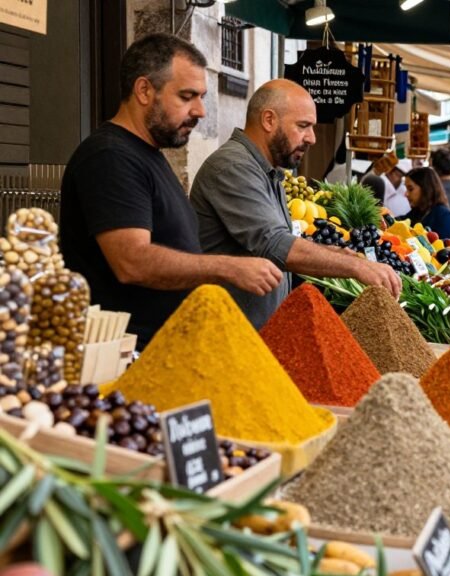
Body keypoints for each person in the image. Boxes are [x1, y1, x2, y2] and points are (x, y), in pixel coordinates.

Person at [59, 33, 283, 348]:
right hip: (125, 360)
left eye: (202, 96)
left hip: (164, 354)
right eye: (187, 96)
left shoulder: (149, 155)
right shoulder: (109, 157)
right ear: (144, 90)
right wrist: (226, 267)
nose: (201, 111)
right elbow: (131, 261)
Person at [190, 79, 400, 329]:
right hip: (228, 335)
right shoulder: (233, 167)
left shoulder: (266, 170)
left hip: (253, 335)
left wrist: (340, 254)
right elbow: (274, 243)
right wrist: (355, 266)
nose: (311, 138)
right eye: (303, 126)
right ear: (269, 120)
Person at [401, 167, 450, 240]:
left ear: (425, 188)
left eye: (410, 189)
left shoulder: (443, 215)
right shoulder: (417, 212)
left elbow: (445, 247)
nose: (406, 194)